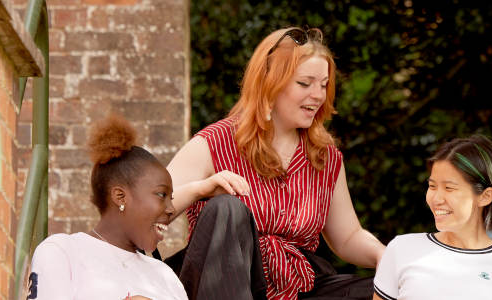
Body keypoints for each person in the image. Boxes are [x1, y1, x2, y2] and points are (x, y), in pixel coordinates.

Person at [163, 27, 387, 300]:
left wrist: (384, 256)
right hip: (226, 285)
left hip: (298, 286)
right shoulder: (215, 142)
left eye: (324, 84)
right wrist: (200, 189)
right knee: (227, 209)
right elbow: (150, 208)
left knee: (392, 291)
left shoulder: (325, 157)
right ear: (270, 83)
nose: (318, 95)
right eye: (305, 83)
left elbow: (348, 236)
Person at [27, 115, 188, 300]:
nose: (171, 208)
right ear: (120, 197)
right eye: (162, 195)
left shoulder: (166, 277)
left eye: (171, 198)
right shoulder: (63, 251)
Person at [373, 136, 492, 300]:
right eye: (432, 186)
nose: (436, 198)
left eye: (449, 188)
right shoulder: (402, 249)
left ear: (485, 196)